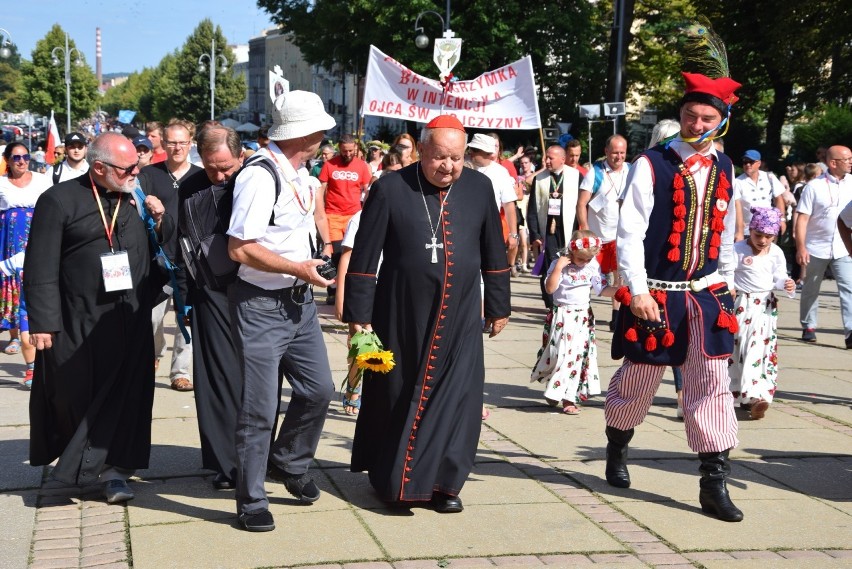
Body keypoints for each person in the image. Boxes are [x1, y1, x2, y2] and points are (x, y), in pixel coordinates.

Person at [342, 115, 511, 513]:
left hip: (462, 313)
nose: (448, 166)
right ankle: (393, 484)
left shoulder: (479, 186)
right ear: (421, 151)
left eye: (455, 158)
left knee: (458, 400)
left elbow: (494, 249)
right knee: (397, 395)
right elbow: (365, 257)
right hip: (401, 313)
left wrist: (500, 305)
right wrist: (358, 315)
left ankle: (444, 484)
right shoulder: (390, 188)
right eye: (439, 157)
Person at [605, 61, 745, 522]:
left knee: (711, 386)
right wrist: (638, 289)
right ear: (681, 116)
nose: (697, 124)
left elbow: (722, 231)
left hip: (706, 295)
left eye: (707, 118)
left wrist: (727, 282)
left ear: (721, 120)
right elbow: (629, 232)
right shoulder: (651, 163)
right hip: (658, 293)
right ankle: (618, 446)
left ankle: (714, 481)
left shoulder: (724, 164)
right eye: (690, 116)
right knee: (638, 382)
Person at [24, 132, 170, 504]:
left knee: (130, 396)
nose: (137, 171)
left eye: (137, 163)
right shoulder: (58, 200)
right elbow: (39, 263)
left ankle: (115, 472)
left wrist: (159, 220)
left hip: (130, 315)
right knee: (73, 393)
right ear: (99, 167)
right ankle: (78, 464)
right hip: (78, 319)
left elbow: (154, 252)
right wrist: (41, 320)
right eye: (128, 168)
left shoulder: (135, 196)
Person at [226, 90, 336, 532]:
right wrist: (298, 268)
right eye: (321, 130)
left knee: (319, 390)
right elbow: (241, 248)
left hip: (298, 300)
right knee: (259, 409)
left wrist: (315, 259)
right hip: (261, 305)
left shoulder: (301, 173)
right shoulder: (260, 176)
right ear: (304, 134)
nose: (326, 136)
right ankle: (251, 499)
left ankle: (288, 462)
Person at [177, 126, 245, 490]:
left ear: (241, 156)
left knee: (253, 380)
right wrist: (185, 297)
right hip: (209, 293)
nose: (219, 175)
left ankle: (257, 456)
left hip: (253, 290)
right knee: (217, 381)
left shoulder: (252, 180)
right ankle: (223, 463)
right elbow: (183, 244)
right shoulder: (190, 186)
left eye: (226, 168)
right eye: (211, 167)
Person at [138, 118, 202, 391]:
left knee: (186, 319)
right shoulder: (148, 175)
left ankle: (180, 371)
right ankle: (154, 353)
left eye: (182, 142)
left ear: (191, 144)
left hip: (191, 260)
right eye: (172, 142)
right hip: (156, 259)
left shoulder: (201, 176)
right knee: (151, 319)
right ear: (162, 143)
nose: (177, 147)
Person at [530, 230, 616, 414]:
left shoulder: (592, 265)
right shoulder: (559, 264)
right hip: (562, 315)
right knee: (559, 354)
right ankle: (555, 387)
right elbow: (550, 288)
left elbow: (601, 289)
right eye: (581, 259)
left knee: (577, 357)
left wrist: (621, 291)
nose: (585, 263)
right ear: (571, 251)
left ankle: (569, 398)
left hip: (583, 316)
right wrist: (559, 268)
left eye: (588, 259)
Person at [729, 207, 795, 420]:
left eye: (769, 236)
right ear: (751, 230)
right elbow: (727, 272)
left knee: (758, 348)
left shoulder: (776, 252)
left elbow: (778, 276)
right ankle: (734, 393)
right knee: (737, 349)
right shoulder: (738, 249)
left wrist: (785, 283)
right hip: (740, 304)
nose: (763, 241)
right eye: (759, 235)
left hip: (764, 306)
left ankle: (757, 396)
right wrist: (728, 286)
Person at [0, 142, 52, 386]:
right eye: (15, 157)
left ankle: (44, 363)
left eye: (25, 156)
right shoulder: (1, 183)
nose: (21, 161)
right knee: (17, 294)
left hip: (40, 237)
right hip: (9, 242)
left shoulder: (42, 180)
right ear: (7, 160)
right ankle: (17, 339)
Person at [794, 145, 852, 348]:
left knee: (849, 288)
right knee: (811, 287)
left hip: (844, 247)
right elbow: (802, 219)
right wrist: (801, 246)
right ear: (833, 163)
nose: (851, 162)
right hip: (816, 246)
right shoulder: (814, 186)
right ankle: (809, 325)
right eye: (847, 159)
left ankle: (851, 331)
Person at [577, 134, 629, 330]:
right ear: (606, 151)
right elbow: (582, 204)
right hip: (597, 237)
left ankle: (616, 316)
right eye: (615, 152)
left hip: (620, 235)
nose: (618, 157)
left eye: (622, 152)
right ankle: (583, 311)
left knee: (619, 277)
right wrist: (585, 228)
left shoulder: (630, 171)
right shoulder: (595, 173)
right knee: (591, 276)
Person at [316, 134, 372, 305]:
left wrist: (366, 211)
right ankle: (332, 289)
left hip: (353, 215)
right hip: (333, 215)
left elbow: (367, 189)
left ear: (355, 148)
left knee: (350, 254)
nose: (348, 154)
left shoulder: (361, 166)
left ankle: (346, 289)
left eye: (351, 150)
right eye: (344, 151)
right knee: (336, 254)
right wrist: (320, 213)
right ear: (339, 149)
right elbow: (322, 189)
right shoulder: (329, 165)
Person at [526, 145, 582, 307]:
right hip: (548, 229)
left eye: (551, 158)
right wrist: (535, 235)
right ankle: (550, 303)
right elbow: (533, 209)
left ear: (562, 159)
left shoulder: (575, 176)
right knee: (549, 264)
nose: (547, 161)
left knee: (568, 263)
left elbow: (582, 205)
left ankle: (565, 297)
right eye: (546, 157)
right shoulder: (540, 178)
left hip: (568, 229)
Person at [467, 133, 520, 270]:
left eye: (475, 151)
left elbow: (508, 205)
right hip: (465, 228)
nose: (471, 153)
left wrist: (513, 234)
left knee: (489, 267)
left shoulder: (500, 172)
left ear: (487, 153)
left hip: (489, 228)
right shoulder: (462, 168)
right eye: (471, 150)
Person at [735, 150, 786, 235]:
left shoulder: (769, 177)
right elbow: (737, 206)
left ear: (759, 163)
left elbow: (779, 199)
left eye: (751, 162)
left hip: (769, 227)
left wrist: (782, 219)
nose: (748, 165)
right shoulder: (737, 182)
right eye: (745, 162)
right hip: (748, 230)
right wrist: (739, 230)